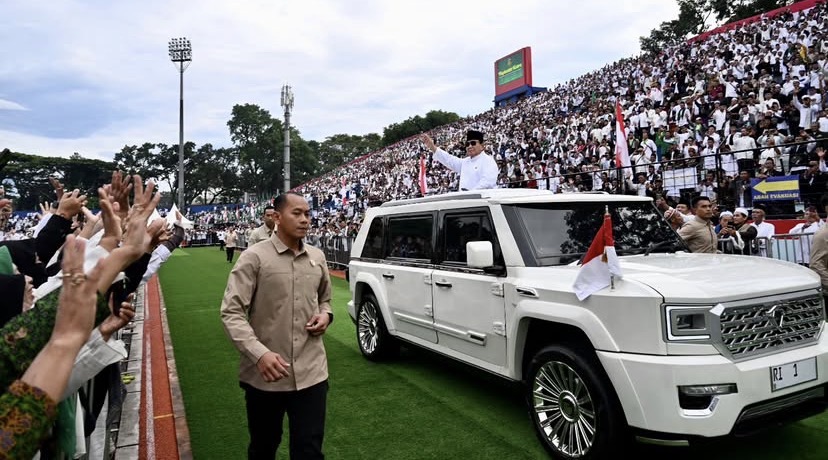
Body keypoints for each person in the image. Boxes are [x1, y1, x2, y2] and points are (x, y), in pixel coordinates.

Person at [220, 192, 333, 460]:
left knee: (309, 450)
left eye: (307, 214)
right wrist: (259, 354)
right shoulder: (254, 257)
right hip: (266, 376)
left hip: (312, 372)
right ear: (277, 217)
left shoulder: (317, 256)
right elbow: (232, 312)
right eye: (297, 213)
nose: (305, 219)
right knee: (263, 447)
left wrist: (326, 316)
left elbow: (325, 300)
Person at [420, 130, 499, 191]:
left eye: (473, 143)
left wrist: (470, 194)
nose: (470, 146)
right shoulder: (465, 162)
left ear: (482, 146)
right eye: (467, 144)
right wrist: (432, 147)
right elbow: (449, 160)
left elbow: (487, 183)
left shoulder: (488, 161)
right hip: (466, 203)